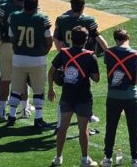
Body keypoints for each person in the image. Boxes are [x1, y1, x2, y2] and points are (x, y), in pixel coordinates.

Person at [49, 25, 101, 167]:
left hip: (67, 96)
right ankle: (85, 159)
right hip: (83, 97)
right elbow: (96, 78)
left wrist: (50, 89)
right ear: (86, 40)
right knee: (83, 130)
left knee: (62, 128)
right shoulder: (90, 56)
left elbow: (51, 71)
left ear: (71, 39)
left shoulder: (64, 53)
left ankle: (58, 158)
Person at [101, 28, 137, 167]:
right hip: (130, 96)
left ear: (115, 39)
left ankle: (107, 158)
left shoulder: (108, 53)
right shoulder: (136, 55)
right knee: (133, 128)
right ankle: (135, 159)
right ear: (128, 38)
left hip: (113, 96)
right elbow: (135, 80)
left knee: (111, 127)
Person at [6, 0, 54, 128]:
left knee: (16, 88)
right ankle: (38, 119)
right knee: (38, 90)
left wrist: (17, 48)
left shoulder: (14, 16)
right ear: (35, 7)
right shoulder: (41, 19)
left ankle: (11, 115)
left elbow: (11, 36)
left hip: (19, 58)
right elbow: (49, 40)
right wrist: (42, 53)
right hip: (36, 59)